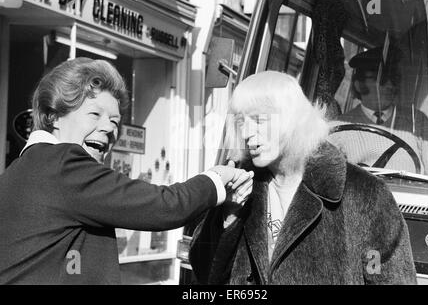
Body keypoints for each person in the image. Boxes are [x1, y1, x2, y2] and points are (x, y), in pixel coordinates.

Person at [0, 57, 254, 284]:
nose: (108, 128)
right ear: (53, 116)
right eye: (94, 114)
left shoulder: (24, 169)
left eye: (114, 121)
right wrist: (217, 179)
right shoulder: (63, 163)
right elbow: (165, 207)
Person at [189, 71, 417, 285]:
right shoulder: (238, 184)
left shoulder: (365, 195)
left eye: (259, 120)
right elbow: (205, 273)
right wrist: (229, 216)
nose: (247, 133)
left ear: (292, 119)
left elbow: (383, 273)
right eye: (241, 122)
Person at [332, 46, 428, 176]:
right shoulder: (339, 128)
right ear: (359, 85)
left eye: (393, 79)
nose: (390, 85)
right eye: (381, 80)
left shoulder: (417, 121)